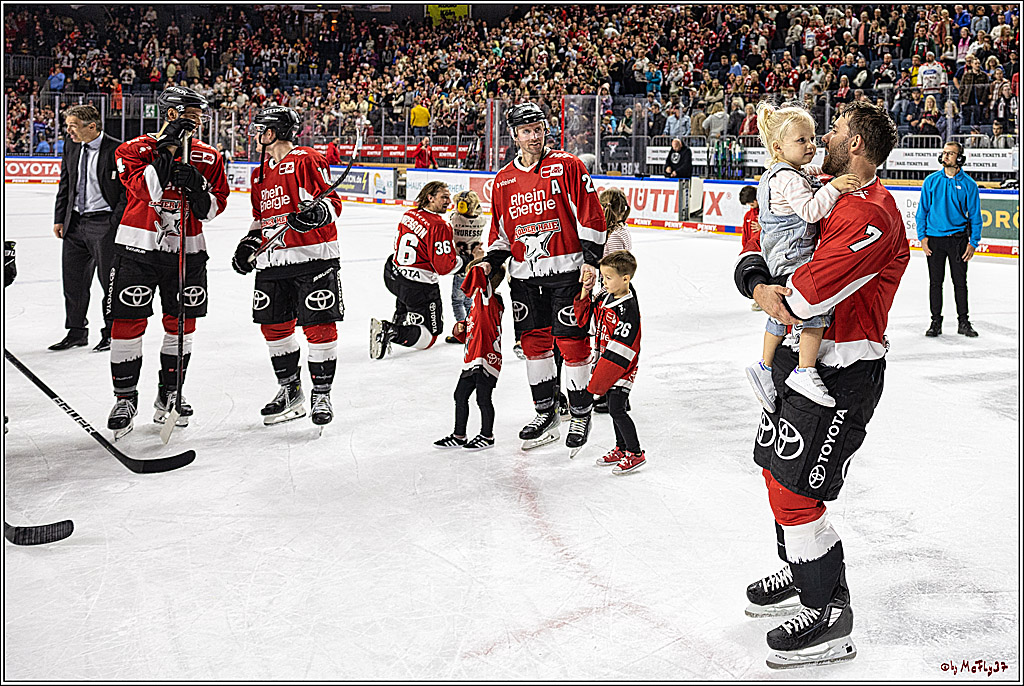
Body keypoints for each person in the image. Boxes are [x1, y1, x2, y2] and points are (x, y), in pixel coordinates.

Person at [734, 101, 907, 669]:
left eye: (833, 129)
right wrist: (755, 276)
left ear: (855, 143)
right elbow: (760, 234)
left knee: (798, 488)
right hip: (798, 357)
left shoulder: (872, 213)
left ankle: (830, 611)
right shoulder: (818, 187)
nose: (824, 134)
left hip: (840, 371)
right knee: (774, 467)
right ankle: (804, 566)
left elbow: (804, 295)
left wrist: (762, 288)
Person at [477, 102, 607, 455]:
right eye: (527, 131)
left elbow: (592, 216)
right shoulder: (503, 180)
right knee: (535, 347)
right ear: (515, 135)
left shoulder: (568, 166)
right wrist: (490, 264)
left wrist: (592, 261)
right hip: (524, 278)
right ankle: (545, 412)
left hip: (567, 273)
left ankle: (581, 411)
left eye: (539, 129)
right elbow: (501, 234)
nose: (535, 137)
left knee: (573, 344)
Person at [105, 86, 229, 437]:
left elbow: (215, 207)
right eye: (194, 113)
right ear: (173, 114)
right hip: (137, 250)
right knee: (127, 324)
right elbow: (148, 190)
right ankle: (124, 398)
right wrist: (169, 150)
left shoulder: (209, 156)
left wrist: (199, 188)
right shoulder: (133, 149)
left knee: (182, 325)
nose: (201, 120)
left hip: (187, 253)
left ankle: (170, 394)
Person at [230, 105, 345, 427]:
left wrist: (314, 215)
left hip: (313, 258)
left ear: (272, 133)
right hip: (273, 261)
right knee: (273, 327)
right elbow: (260, 219)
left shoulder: (306, 159)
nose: (254, 136)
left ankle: (321, 393)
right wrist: (248, 245)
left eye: (258, 131)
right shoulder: (259, 172)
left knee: (318, 326)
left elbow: (332, 204)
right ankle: (289, 390)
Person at [745, 103, 861, 411]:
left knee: (777, 315)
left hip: (778, 258)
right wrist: (834, 187)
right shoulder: (789, 179)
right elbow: (810, 210)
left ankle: (765, 366)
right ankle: (805, 370)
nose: (811, 145)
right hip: (793, 256)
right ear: (778, 147)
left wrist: (820, 174)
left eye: (812, 138)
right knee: (818, 305)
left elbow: (807, 176)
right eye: (802, 141)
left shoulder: (780, 173)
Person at [51, 104, 126, 353]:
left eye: (73, 125)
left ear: (91, 127)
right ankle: (76, 332)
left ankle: (111, 332)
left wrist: (114, 222)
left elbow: (127, 192)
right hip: (74, 224)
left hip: (104, 224)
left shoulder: (117, 149)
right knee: (73, 281)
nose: (68, 131)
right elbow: (65, 183)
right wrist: (60, 218)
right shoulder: (72, 145)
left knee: (109, 282)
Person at [370, 181, 469, 358]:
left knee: (406, 294)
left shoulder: (409, 214)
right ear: (430, 198)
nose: (448, 201)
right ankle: (391, 330)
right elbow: (444, 267)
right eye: (443, 197)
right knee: (430, 337)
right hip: (417, 287)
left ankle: (401, 316)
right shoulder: (439, 225)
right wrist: (467, 260)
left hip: (392, 274)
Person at [576, 250, 644, 474]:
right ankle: (621, 447)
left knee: (616, 408)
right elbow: (584, 317)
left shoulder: (628, 309)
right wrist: (586, 290)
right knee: (616, 407)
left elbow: (622, 349)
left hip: (621, 368)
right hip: (606, 364)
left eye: (608, 278)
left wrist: (596, 384)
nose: (603, 282)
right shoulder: (605, 296)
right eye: (603, 277)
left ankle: (635, 453)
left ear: (626, 279)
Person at [433, 260, 506, 451]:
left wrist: (483, 262)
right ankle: (459, 435)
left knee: (483, 399)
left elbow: (480, 277)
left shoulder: (488, 298)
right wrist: (459, 331)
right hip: (472, 358)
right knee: (460, 395)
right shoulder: (476, 303)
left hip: (486, 358)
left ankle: (487, 435)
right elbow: (471, 332)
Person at [917, 141, 982, 338]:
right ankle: (935, 322)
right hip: (935, 240)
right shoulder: (931, 181)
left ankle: (964, 321)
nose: (945, 156)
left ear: (960, 158)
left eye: (951, 153)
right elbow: (922, 212)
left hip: (958, 241)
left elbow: (975, 217)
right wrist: (923, 237)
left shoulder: (969, 185)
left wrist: (973, 242)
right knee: (935, 282)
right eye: (944, 152)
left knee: (960, 282)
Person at [446, 190, 487, 342]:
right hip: (475, 263)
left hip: (462, 264)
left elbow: (453, 215)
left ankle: (462, 332)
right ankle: (472, 327)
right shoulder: (482, 220)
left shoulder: (455, 219)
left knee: (457, 300)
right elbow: (478, 211)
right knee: (468, 299)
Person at [738, 185, 762, 311]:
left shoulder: (765, 213)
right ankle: (757, 298)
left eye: (751, 204)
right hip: (752, 251)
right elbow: (745, 235)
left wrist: (761, 228)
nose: (751, 206)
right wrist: (744, 251)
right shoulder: (748, 216)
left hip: (763, 250)